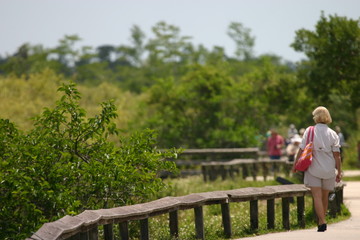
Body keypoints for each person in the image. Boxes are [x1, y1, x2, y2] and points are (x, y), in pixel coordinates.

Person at [292, 106, 342, 232]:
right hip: (329, 169)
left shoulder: (309, 130)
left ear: (316, 117)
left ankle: (322, 221)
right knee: (325, 196)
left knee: (317, 196)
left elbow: (302, 149)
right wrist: (339, 172)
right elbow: (337, 155)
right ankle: (321, 221)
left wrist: (295, 164)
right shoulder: (333, 133)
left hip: (313, 168)